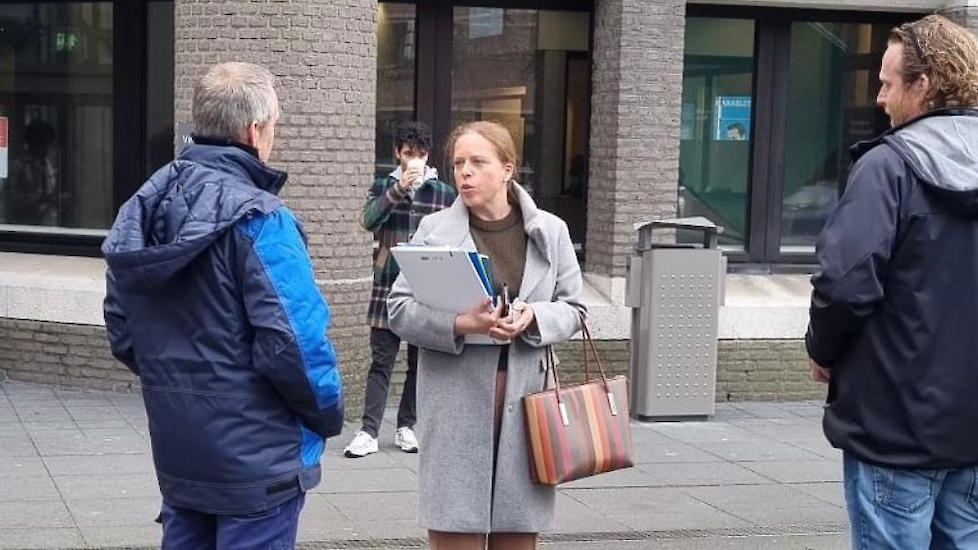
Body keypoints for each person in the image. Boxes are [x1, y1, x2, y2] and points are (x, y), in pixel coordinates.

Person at [102, 62, 344, 549]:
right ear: (254, 131)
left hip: (179, 448)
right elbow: (295, 343)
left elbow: (123, 331)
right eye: (274, 126)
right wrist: (328, 413)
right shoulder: (263, 219)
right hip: (259, 458)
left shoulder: (143, 208)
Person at [806, 15, 978, 550]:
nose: (879, 98)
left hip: (894, 429)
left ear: (923, 86)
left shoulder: (888, 167)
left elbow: (844, 284)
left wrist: (822, 349)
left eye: (887, 83)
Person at [387, 121, 585, 550]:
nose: (465, 173)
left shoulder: (550, 231)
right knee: (455, 532)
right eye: (458, 163)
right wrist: (461, 324)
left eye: (478, 162)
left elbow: (575, 308)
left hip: (528, 403)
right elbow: (399, 310)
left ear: (507, 169)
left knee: (516, 535)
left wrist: (534, 317)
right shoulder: (434, 230)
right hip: (455, 402)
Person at [344, 121, 456, 458]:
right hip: (388, 285)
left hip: (427, 286)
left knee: (419, 362)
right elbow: (367, 221)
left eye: (420, 154)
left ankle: (407, 425)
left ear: (428, 155)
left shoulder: (443, 193)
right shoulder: (383, 185)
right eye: (409, 154)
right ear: (398, 154)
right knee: (381, 361)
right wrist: (397, 190)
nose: (415, 160)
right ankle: (368, 431)